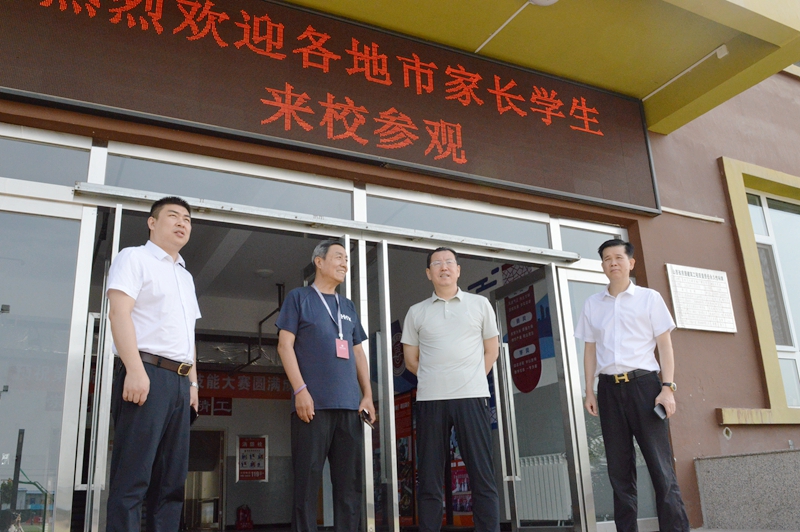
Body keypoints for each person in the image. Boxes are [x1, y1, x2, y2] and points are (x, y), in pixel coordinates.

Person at [575, 239, 690, 532]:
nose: (612, 263)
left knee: (660, 466)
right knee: (618, 470)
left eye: (618, 257)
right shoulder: (592, 304)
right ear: (602, 265)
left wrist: (667, 387)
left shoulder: (649, 298)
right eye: (606, 259)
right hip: (609, 390)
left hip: (645, 387)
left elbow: (665, 346)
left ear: (631, 263)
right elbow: (590, 350)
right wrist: (589, 390)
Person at [106, 196, 201, 532]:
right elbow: (119, 314)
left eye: (187, 219)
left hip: (180, 383)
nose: (182, 223)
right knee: (133, 478)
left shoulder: (185, 277)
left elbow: (188, 335)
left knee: (172, 482)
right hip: (146, 373)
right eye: (173, 216)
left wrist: (193, 384)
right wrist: (134, 370)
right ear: (152, 222)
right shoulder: (134, 258)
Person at [276, 239, 375, 532]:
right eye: (339, 257)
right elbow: (284, 346)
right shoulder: (299, 298)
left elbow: (358, 353)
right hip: (312, 407)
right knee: (306, 485)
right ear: (319, 262)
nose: (345, 264)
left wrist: (368, 395)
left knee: (349, 487)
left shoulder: (348, 306)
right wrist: (300, 390)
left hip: (349, 408)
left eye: (347, 259)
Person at [401, 247, 500, 532]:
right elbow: (411, 361)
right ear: (428, 273)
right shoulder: (416, 312)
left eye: (449, 262)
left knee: (482, 474)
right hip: (431, 399)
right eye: (437, 264)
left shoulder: (480, 304)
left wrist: (470, 378)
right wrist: (435, 378)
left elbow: (491, 351)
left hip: (472, 397)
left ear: (458, 270)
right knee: (429, 477)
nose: (443, 267)